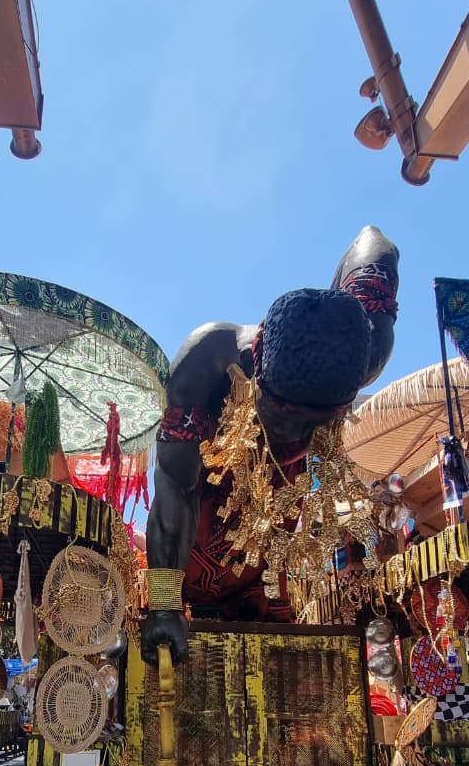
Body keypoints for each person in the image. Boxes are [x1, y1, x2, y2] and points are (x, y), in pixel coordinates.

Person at [141, 224, 399, 666]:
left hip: (268, 539)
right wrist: (164, 606)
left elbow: (374, 241)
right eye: (281, 418)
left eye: (313, 423)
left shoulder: (366, 350)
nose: (295, 435)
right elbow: (173, 489)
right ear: (253, 372)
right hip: (201, 524)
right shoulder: (207, 361)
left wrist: (337, 317)